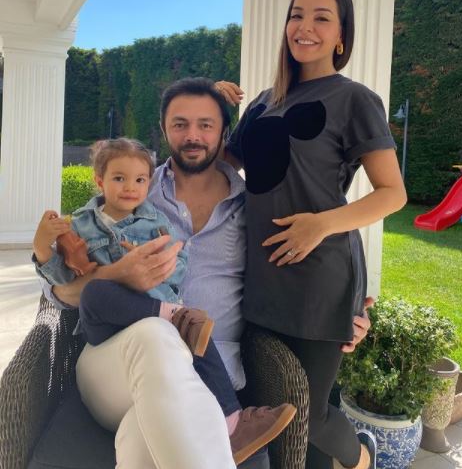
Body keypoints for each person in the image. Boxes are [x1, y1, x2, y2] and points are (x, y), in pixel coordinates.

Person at [36, 78, 373, 468]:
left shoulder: (253, 209)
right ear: (163, 128)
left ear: (225, 133)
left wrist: (344, 313)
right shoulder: (132, 193)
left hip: (213, 382)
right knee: (156, 333)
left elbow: (299, 277)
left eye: (206, 125)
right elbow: (57, 293)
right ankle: (226, 425)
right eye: (180, 124)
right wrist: (116, 275)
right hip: (114, 369)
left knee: (146, 440)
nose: (192, 135)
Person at [218, 0, 407, 469]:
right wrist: (211, 106)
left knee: (310, 413)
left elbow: (393, 193)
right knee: (268, 402)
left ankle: (362, 458)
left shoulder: (355, 100)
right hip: (259, 274)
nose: (305, 26)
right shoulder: (262, 103)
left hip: (318, 274)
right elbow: (219, 172)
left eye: (322, 18)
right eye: (297, 15)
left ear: (341, 35)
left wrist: (320, 225)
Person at [33, 137, 295, 465]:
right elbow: (63, 282)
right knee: (99, 292)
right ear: (99, 181)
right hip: (106, 335)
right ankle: (170, 315)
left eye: (140, 180)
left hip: (161, 342)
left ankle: (232, 422)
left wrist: (157, 263)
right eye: (119, 178)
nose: (130, 187)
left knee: (191, 349)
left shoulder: (156, 222)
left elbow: (178, 265)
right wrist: (45, 251)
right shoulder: (82, 224)